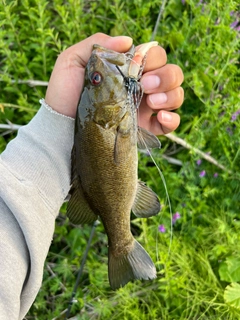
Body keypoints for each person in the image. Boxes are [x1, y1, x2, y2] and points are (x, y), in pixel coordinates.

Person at [0, 33, 184, 319]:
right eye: (95, 80)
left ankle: (122, 248)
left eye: (93, 79)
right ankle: (122, 245)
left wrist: (53, 126)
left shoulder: (109, 117)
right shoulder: (109, 118)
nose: (98, 57)